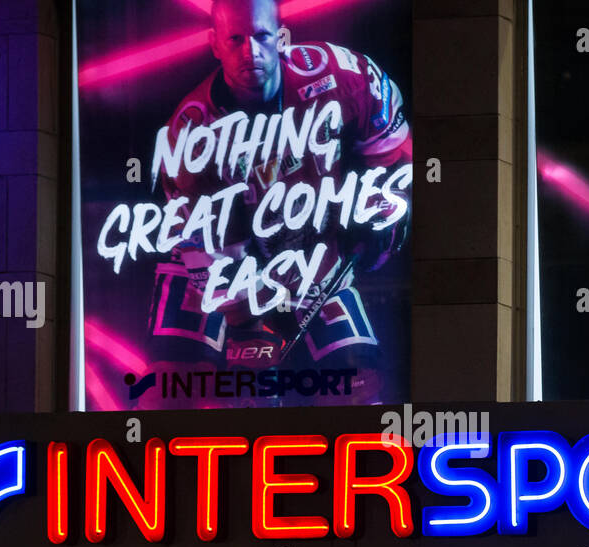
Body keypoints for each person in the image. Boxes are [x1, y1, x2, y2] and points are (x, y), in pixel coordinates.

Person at [144, 0, 412, 407]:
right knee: (181, 392)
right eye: (235, 39)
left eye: (262, 36)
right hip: (220, 264)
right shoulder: (191, 134)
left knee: (361, 394)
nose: (250, 52)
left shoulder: (340, 74)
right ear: (215, 44)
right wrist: (257, 331)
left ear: (281, 37)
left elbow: (391, 144)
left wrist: (383, 211)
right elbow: (209, 259)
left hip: (311, 252)